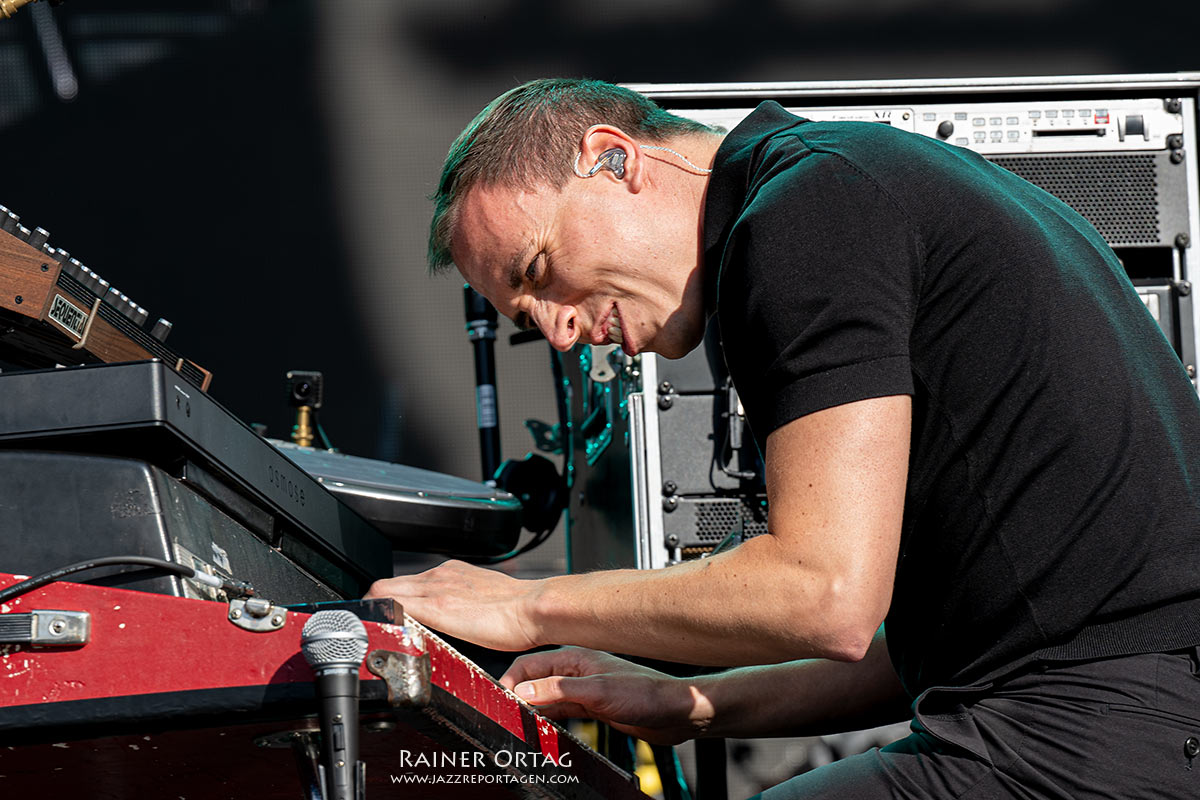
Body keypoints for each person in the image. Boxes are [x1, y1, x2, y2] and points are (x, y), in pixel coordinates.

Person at [366, 78, 1200, 798]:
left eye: (540, 272)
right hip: (1115, 720)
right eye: (527, 317)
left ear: (613, 158)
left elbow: (823, 595)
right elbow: (931, 649)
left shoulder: (806, 213)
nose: (557, 332)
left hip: (1093, 735)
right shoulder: (850, 180)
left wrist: (528, 606)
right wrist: (694, 704)